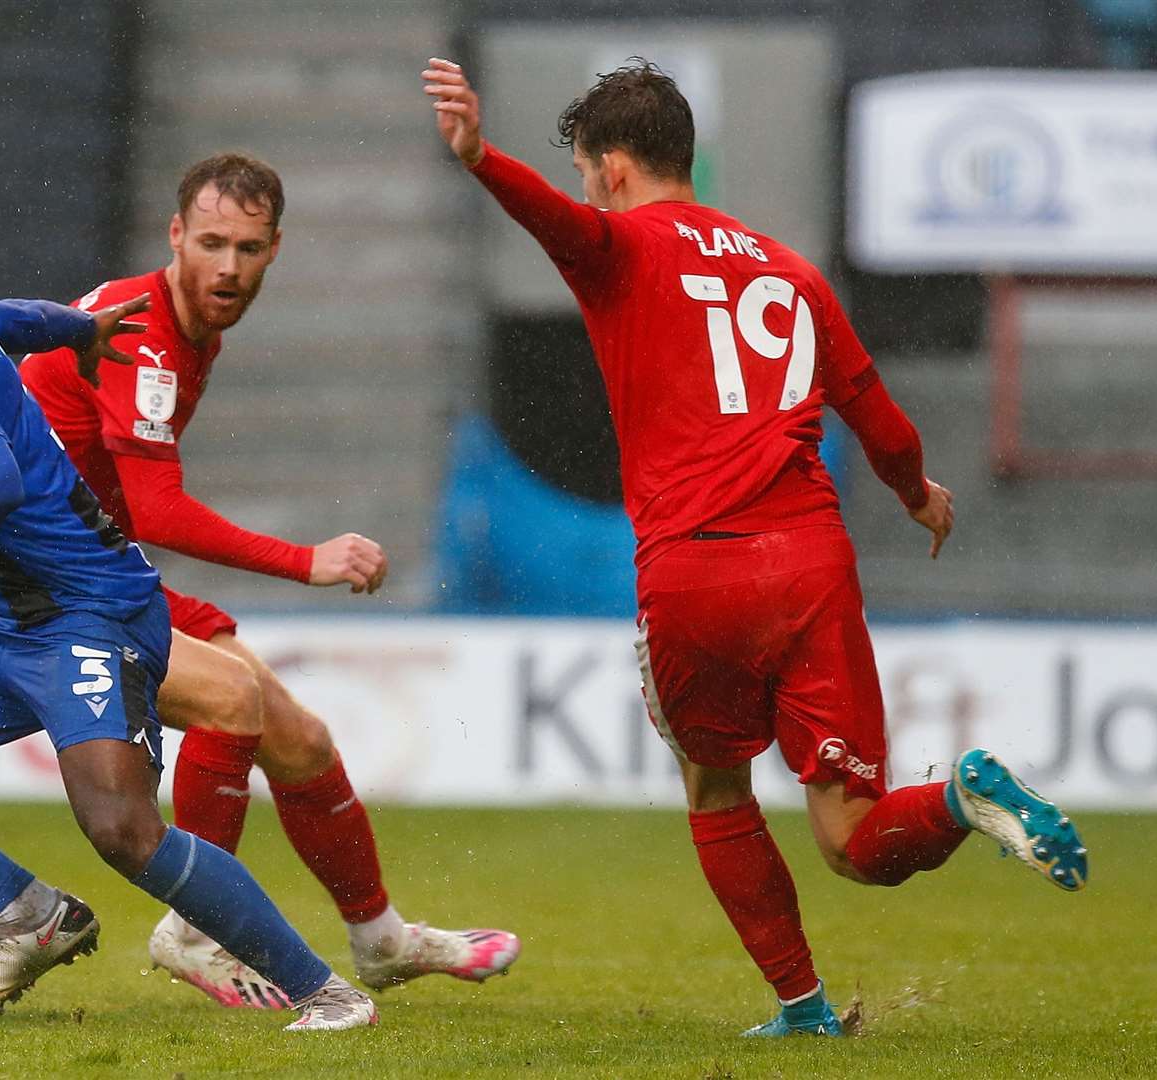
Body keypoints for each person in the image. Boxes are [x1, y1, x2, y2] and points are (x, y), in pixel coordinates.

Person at [423, 58, 1087, 1036]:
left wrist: (480, 157)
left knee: (715, 783)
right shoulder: (789, 271)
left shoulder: (618, 248)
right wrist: (914, 496)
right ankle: (955, 797)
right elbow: (877, 416)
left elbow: (554, 226)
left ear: (610, 168)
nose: (578, 190)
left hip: (698, 567)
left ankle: (804, 1008)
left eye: (579, 170)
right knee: (856, 836)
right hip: (811, 561)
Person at [0, 165, 375, 1031]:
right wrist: (78, 329)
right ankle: (30, 915)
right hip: (6, 622)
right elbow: (16, 319)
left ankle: (327, 994)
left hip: (93, 613)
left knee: (124, 833)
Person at [0, 154, 520, 1009]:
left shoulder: (184, 326)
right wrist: (305, 560)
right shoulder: (143, 333)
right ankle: (192, 930)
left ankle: (382, 942)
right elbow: (159, 510)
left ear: (274, 249)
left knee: (302, 742)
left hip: (88, 574)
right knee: (232, 702)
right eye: (210, 242)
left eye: (247, 248)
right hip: (31, 590)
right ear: (175, 235)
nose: (228, 266)